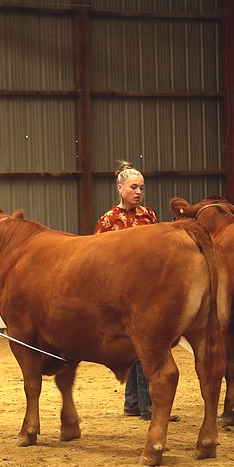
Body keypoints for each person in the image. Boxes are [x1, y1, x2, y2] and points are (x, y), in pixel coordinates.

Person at [94, 160, 177, 422]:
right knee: (145, 344)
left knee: (137, 343)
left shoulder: (148, 215)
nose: (138, 192)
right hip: (119, 289)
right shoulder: (108, 220)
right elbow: (97, 255)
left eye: (141, 187)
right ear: (120, 188)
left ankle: (133, 402)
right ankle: (148, 406)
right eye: (133, 187)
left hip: (147, 287)